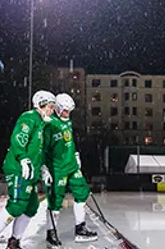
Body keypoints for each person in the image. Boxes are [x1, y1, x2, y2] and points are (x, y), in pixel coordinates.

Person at [0, 90, 57, 249]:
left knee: (31, 206)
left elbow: (37, 150)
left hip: (30, 170)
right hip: (18, 168)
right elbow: (18, 138)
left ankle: (14, 241)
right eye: (50, 106)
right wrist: (23, 158)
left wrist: (42, 167)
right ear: (40, 104)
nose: (52, 110)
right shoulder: (29, 117)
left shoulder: (42, 124)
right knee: (17, 204)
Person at [44, 93, 97, 248]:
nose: (67, 114)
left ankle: (80, 229)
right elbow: (43, 149)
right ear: (58, 109)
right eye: (65, 111)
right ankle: (51, 233)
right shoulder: (50, 125)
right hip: (58, 168)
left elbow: (69, 140)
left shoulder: (68, 122)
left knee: (82, 193)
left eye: (69, 111)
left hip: (72, 166)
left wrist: (75, 154)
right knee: (56, 201)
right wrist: (44, 168)